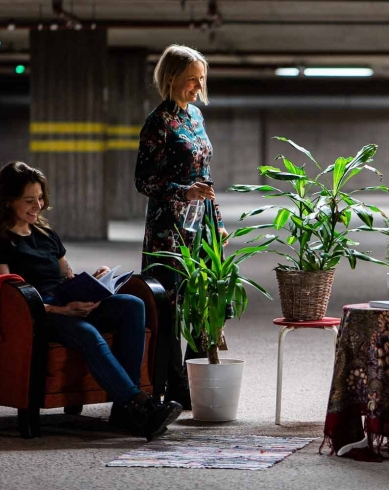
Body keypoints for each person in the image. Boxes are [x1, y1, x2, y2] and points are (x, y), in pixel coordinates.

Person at [0, 161, 182, 441]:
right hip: (36, 313)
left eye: (40, 198)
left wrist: (94, 282)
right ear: (7, 200)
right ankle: (138, 404)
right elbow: (6, 297)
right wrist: (61, 310)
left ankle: (125, 411)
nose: (38, 206)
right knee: (87, 332)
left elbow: (65, 277)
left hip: (66, 300)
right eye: (29, 200)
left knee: (133, 305)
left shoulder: (45, 234)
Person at [136, 44, 227, 408]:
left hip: (200, 224)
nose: (198, 86)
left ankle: (194, 379)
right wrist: (182, 191)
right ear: (171, 78)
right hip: (168, 229)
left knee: (202, 300)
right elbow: (144, 180)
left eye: (201, 78)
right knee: (170, 307)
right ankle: (174, 385)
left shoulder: (196, 118)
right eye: (191, 79)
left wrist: (216, 221)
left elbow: (206, 175)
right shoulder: (157, 122)